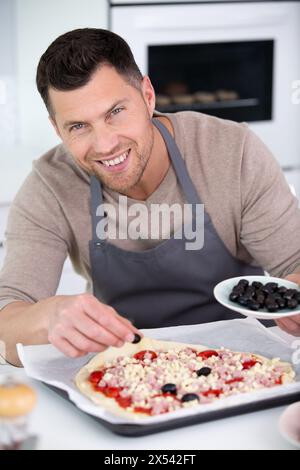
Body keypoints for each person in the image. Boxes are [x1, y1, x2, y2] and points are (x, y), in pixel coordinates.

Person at [0, 28, 299, 367]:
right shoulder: (50, 185)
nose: (105, 144)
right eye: (79, 126)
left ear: (148, 95)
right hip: (126, 372)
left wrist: (292, 300)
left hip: (244, 366)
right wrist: (48, 316)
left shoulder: (232, 152)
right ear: (57, 129)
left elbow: (295, 264)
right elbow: (7, 324)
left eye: (115, 111)